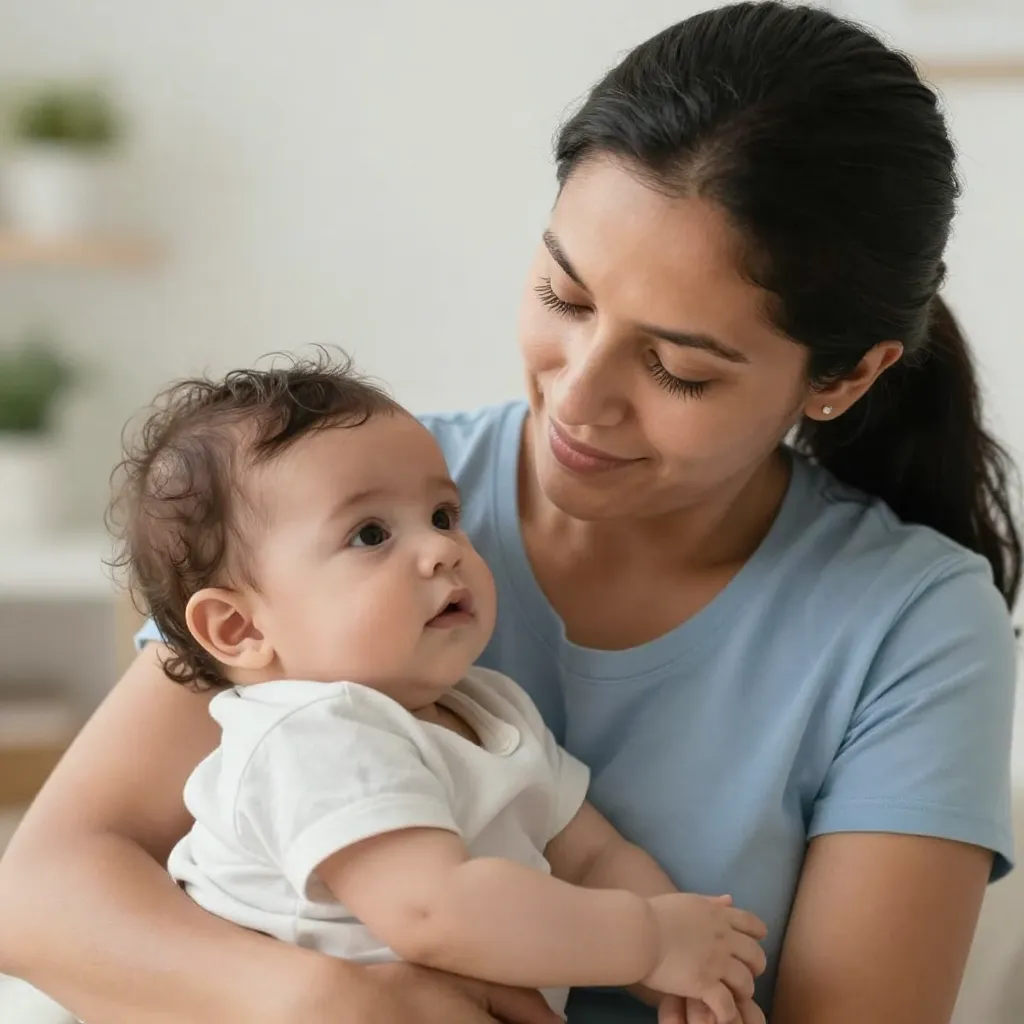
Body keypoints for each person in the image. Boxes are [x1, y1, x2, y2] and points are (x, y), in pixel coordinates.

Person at [0, 2, 1019, 1022]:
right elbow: (41, 892)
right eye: (564, 298)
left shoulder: (909, 620)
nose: (577, 397)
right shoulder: (334, 502)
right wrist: (335, 1004)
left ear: (843, 377)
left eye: (676, 368)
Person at [107, 359, 767, 1023]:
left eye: (444, 515)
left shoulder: (491, 708)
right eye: (371, 534)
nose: (441, 550)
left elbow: (594, 855)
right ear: (241, 626)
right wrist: (646, 941)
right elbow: (434, 912)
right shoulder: (311, 735)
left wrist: (680, 971)